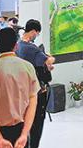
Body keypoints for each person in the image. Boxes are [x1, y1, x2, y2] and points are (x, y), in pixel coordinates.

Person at [0, 27, 39, 148]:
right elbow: (33, 103)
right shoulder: (28, 67)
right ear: (16, 46)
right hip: (19, 134)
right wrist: (24, 134)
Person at [16, 19, 55, 148]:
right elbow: (48, 62)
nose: (37, 36)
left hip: (21, 91)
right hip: (37, 91)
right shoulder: (32, 49)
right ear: (33, 31)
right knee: (36, 125)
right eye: (37, 33)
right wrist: (50, 58)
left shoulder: (18, 46)